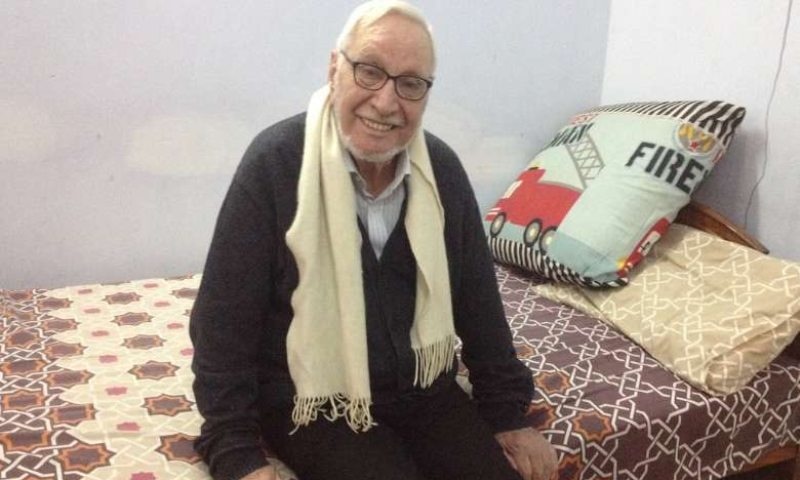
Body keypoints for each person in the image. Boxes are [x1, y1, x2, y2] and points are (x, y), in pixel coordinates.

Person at [189, 1, 558, 479]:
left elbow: (477, 300)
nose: (386, 102)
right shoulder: (275, 165)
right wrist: (235, 451)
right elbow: (222, 325)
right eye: (369, 71)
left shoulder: (440, 172)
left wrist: (508, 415)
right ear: (334, 69)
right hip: (313, 399)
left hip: (424, 389)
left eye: (410, 83)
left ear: (425, 94)